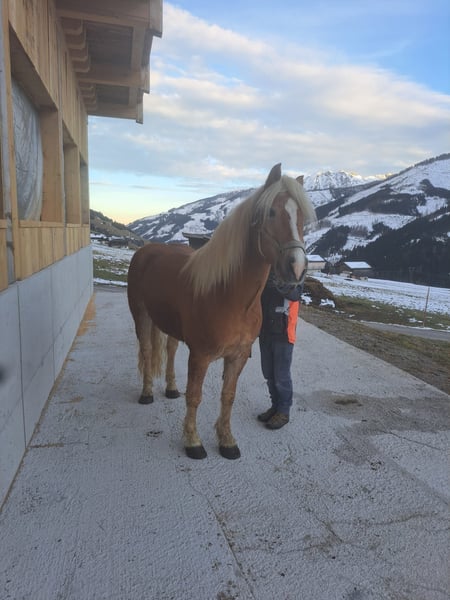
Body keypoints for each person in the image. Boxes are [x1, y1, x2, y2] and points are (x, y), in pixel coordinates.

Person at [257, 270, 303, 430]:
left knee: (281, 376)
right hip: (265, 331)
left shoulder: (295, 273)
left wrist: (279, 283)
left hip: (284, 333)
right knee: (269, 374)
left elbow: (295, 294)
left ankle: (283, 412)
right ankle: (275, 406)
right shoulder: (265, 272)